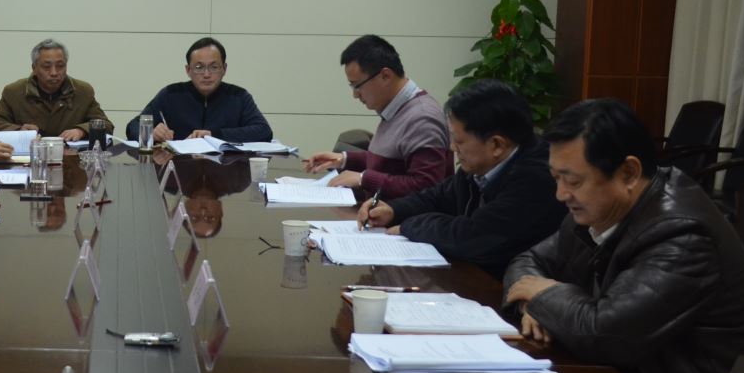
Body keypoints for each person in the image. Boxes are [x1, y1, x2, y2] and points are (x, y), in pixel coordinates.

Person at [503, 99, 744, 373]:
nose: (561, 194)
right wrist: (535, 302)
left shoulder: (682, 234)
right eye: (556, 178)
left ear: (629, 173)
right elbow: (527, 260)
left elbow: (607, 334)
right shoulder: (600, 208)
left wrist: (542, 296)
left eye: (573, 181)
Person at [359, 79, 565, 277]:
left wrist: (409, 226)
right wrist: (394, 210)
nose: (452, 148)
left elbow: (475, 236)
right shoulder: (481, 164)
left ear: (496, 145)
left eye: (459, 141)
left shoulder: (538, 179)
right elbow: (439, 196)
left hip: (506, 290)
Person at [302, 34, 451, 198]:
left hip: (402, 215)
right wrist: (344, 159)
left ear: (385, 76)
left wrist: (363, 179)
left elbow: (427, 187)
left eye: (357, 85)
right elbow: (392, 163)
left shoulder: (422, 118)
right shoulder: (396, 108)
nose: (355, 95)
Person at [126, 37, 272, 144]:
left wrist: (213, 135)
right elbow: (132, 127)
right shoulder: (171, 94)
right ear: (188, 70)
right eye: (199, 67)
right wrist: (150, 133)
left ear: (224, 69)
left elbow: (263, 131)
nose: (206, 74)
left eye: (214, 67)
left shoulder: (238, 96)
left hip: (226, 172)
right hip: (180, 171)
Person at [0, 38, 109, 141]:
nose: (54, 73)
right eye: (46, 67)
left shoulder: (82, 91)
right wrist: (19, 130)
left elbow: (106, 125)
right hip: (30, 159)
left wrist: (81, 130)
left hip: (70, 159)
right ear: (34, 68)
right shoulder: (15, 92)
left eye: (60, 66)